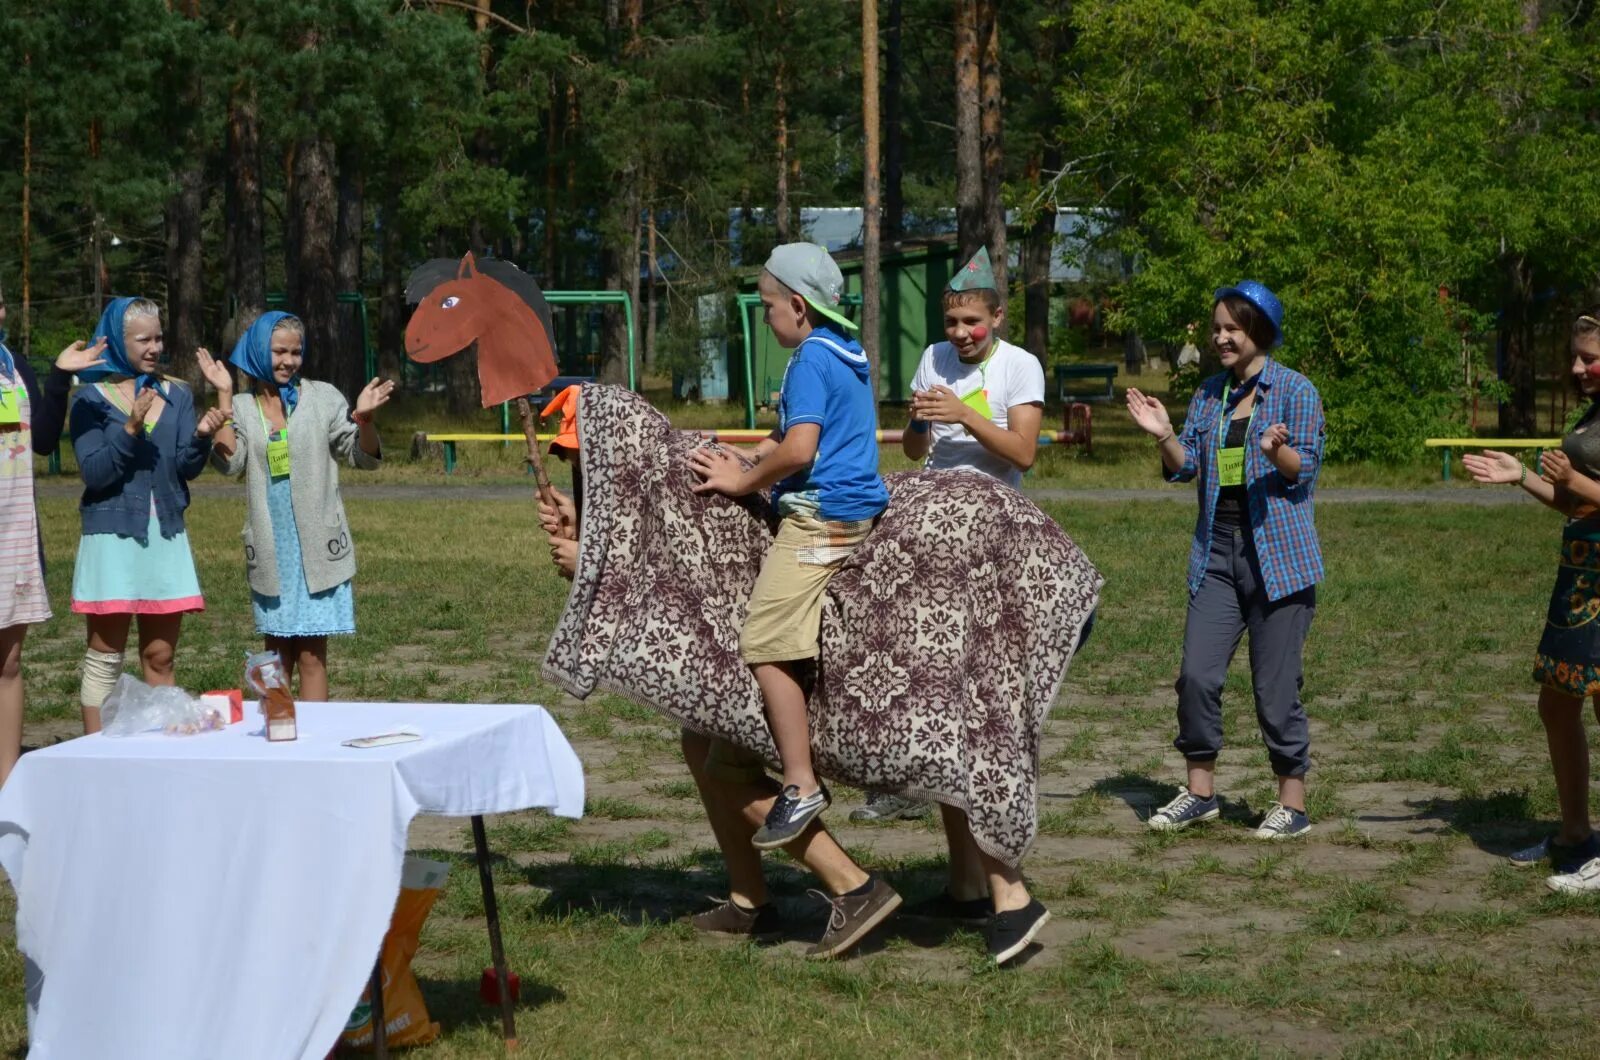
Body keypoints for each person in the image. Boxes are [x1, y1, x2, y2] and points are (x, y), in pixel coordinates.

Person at [537, 484, 900, 959]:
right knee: (698, 741)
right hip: (751, 608)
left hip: (763, 622)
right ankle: (750, 899)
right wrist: (584, 529)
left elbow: (675, 579)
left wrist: (592, 564)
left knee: (725, 770)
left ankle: (855, 887)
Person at [687, 243, 892, 866]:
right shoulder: (845, 351)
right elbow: (786, 437)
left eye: (769, 306)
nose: (766, 317)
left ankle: (801, 781)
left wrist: (741, 482)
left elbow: (800, 451)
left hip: (821, 520)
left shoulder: (806, 359)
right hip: (853, 504)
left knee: (766, 637)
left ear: (798, 307)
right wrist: (745, 455)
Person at [1125, 280, 1325, 839]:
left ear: (1258, 330)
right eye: (1216, 328)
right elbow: (1185, 463)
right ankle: (1199, 793)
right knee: (1196, 675)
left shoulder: (1296, 390)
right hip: (1217, 549)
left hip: (1277, 557)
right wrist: (1164, 434)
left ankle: (1293, 803)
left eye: (1231, 329)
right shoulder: (1211, 393)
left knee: (1275, 687)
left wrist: (1275, 450)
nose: (1220, 338)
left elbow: (1303, 469)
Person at [1463, 312, 1600, 893]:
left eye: (1588, 357)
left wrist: (1577, 479)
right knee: (1557, 705)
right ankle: (1574, 834)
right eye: (1575, 355)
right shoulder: (1593, 413)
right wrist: (1522, 476)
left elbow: (1587, 492)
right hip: (1581, 574)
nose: (1576, 367)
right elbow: (1579, 507)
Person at [203, 311, 393, 701]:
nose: (288, 361)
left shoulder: (323, 398)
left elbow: (362, 456)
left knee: (312, 657)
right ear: (258, 351)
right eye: (278, 351)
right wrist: (222, 396)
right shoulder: (240, 406)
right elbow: (229, 463)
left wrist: (367, 420)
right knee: (276, 658)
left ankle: (312, 748)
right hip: (274, 549)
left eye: (295, 352)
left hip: (318, 549)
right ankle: (280, 739)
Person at [69, 297, 227, 733]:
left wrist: (200, 437)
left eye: (159, 337)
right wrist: (132, 428)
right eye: (143, 340)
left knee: (161, 656)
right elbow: (96, 473)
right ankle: (99, 757)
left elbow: (183, 469)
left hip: (166, 536)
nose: (155, 347)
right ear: (118, 343)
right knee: (105, 656)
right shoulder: (88, 400)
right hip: (112, 537)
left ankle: (155, 754)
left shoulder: (176, 394)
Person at [0, 287, 108, 783]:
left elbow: (42, 440)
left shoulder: (12, 365)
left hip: (13, 533)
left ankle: (7, 783)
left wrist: (60, 377)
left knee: (10, 663)